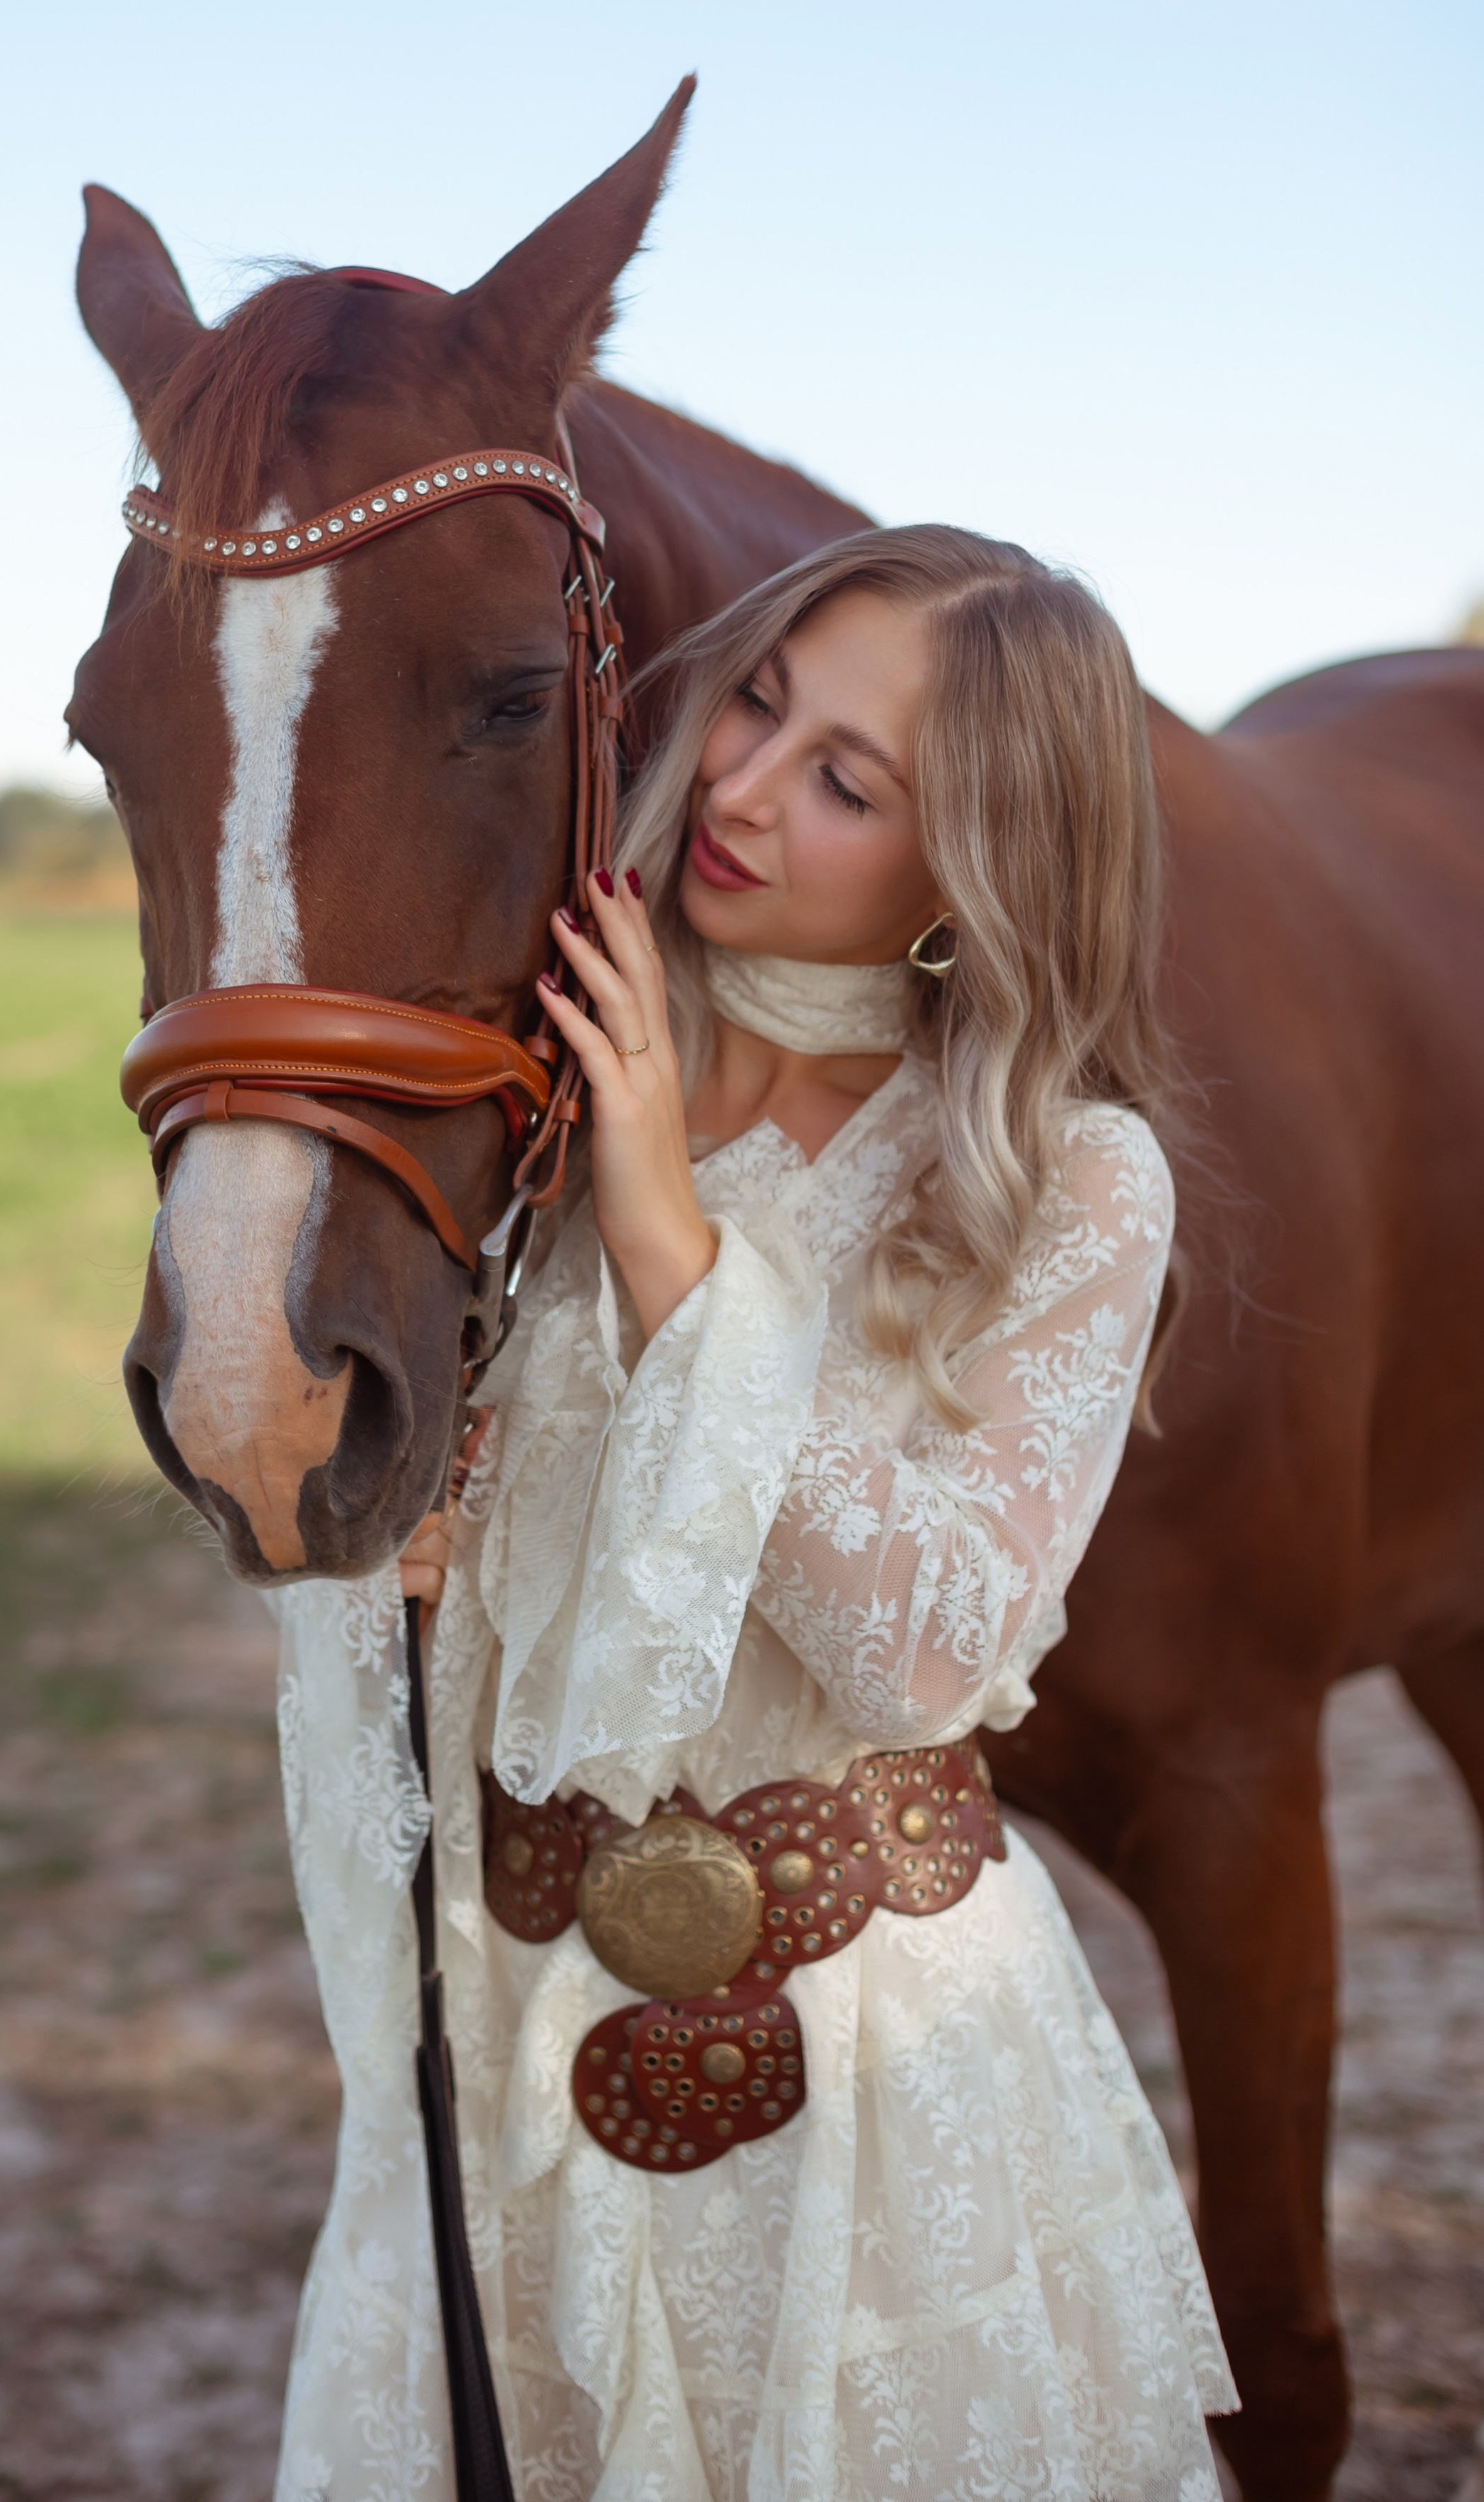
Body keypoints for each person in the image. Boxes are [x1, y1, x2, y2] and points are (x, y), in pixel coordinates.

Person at [272, 527, 1236, 2501]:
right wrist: (397, 1556)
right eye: (766, 702)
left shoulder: (1067, 1180)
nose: (738, 784)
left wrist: (671, 1253)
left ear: (978, 868)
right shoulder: (526, 1066)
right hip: (518, 2023)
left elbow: (932, 1645)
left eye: (848, 784)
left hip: (878, 2085)